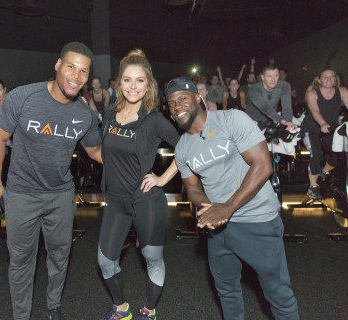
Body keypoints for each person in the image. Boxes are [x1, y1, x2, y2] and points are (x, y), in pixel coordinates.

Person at [166, 77, 299, 320]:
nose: (177, 107)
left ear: (199, 98)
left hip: (257, 221)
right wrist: (210, 211)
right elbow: (193, 188)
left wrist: (227, 207)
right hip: (219, 229)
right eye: (172, 103)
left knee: (278, 294)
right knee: (227, 292)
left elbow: (262, 165)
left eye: (183, 99)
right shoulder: (183, 147)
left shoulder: (232, 119)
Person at [0, 42, 102, 320]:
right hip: (21, 194)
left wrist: (132, 167)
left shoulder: (84, 114)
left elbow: (96, 151)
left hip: (61, 196)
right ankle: (21, 316)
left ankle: (53, 307)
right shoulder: (23, 97)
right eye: (71, 66)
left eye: (83, 71)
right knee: (21, 261)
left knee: (60, 257)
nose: (76, 75)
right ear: (58, 65)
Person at [98, 49, 180, 320]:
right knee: (105, 260)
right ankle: (121, 308)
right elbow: (107, 151)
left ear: (148, 85)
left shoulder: (154, 119)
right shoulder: (111, 112)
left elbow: (187, 147)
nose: (133, 86)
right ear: (119, 83)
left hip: (146, 200)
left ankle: (149, 310)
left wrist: (162, 178)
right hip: (116, 200)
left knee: (152, 258)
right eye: (127, 79)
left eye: (140, 80)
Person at [301, 68, 348, 199]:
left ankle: (322, 172)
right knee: (316, 153)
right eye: (325, 77)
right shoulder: (313, 93)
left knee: (340, 155)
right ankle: (313, 187)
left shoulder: (342, 91)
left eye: (331, 77)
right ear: (319, 80)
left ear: (335, 79)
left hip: (329, 130)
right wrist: (322, 123)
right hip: (311, 129)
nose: (329, 79)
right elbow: (314, 110)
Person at [245, 64, 296, 131]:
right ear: (262, 77)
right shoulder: (254, 89)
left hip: (268, 121)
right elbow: (264, 108)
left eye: (276, 76)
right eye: (269, 76)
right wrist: (282, 121)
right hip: (251, 123)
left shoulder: (284, 86)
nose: (273, 80)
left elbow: (287, 108)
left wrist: (288, 124)